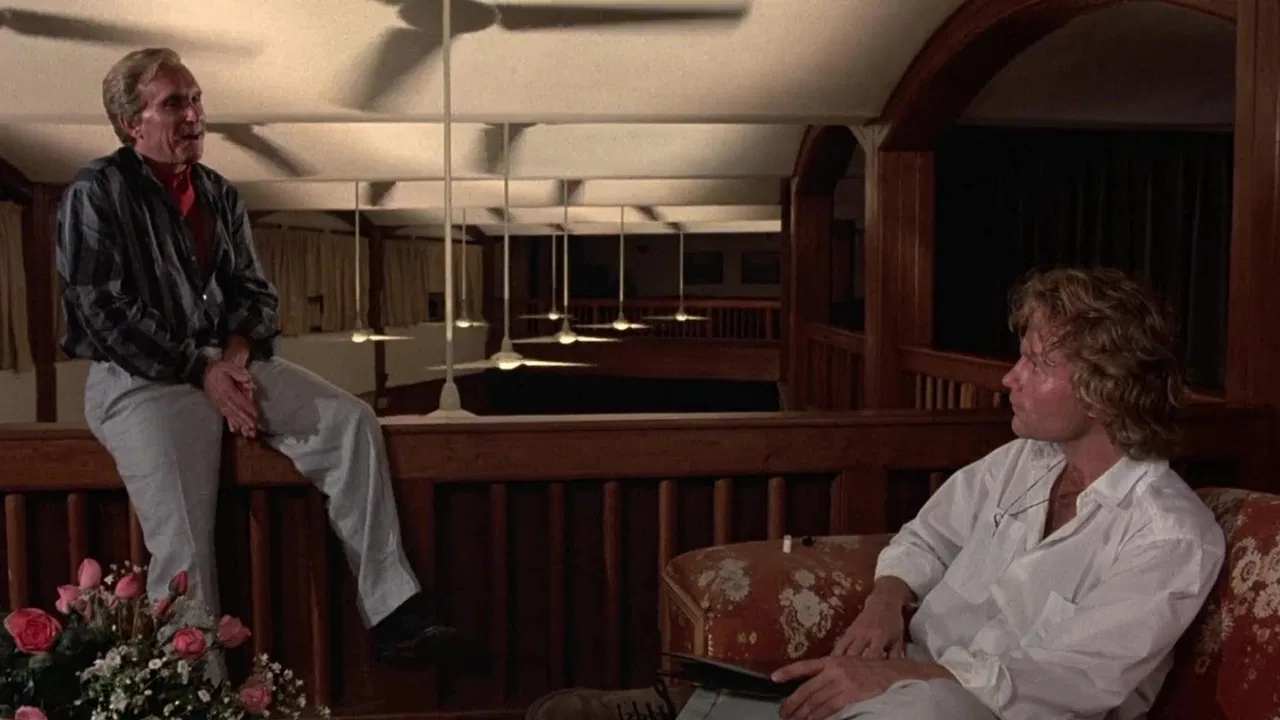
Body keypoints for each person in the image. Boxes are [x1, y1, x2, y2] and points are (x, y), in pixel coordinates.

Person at [527, 267, 1225, 720]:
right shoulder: (1022, 462)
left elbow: (1072, 679)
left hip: (994, 711)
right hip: (918, 676)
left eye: (1036, 363)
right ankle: (700, 705)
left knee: (926, 709)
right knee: (850, 689)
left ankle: (708, 709)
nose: (1009, 378)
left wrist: (907, 679)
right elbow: (927, 536)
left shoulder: (1168, 534)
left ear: (1103, 388)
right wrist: (887, 601)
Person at [56, 47, 460, 668]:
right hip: (140, 381)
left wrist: (236, 358)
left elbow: (256, 294)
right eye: (174, 103)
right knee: (184, 548)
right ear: (132, 123)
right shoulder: (96, 190)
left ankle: (392, 612)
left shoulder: (218, 192)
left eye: (196, 99)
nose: (194, 115)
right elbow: (101, 310)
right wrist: (202, 371)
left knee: (350, 423)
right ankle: (196, 694)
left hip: (228, 362)